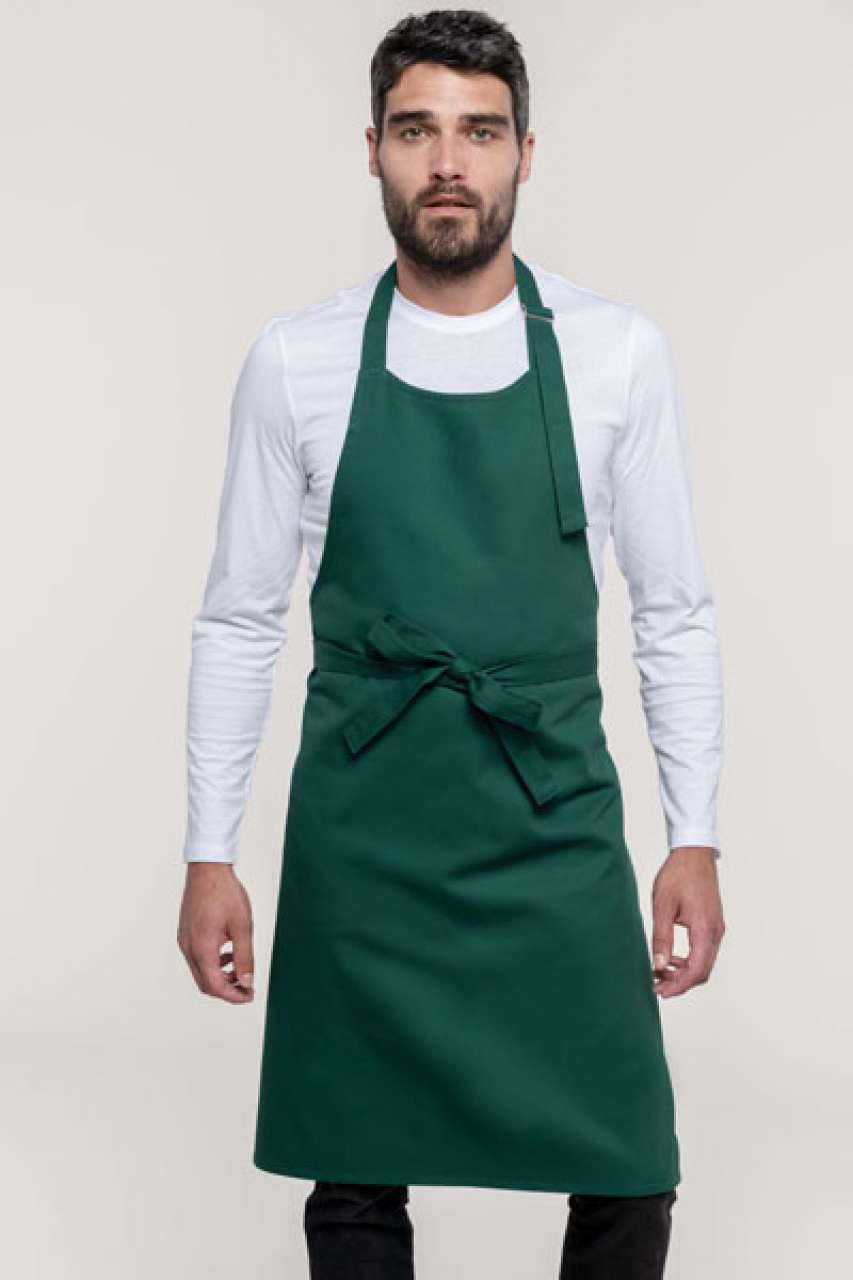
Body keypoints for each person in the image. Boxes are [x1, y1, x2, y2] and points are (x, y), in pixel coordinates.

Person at [177, 9, 725, 1278]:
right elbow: (239, 617)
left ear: (525, 152)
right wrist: (210, 853)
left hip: (549, 814)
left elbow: (673, 608)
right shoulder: (298, 361)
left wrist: (693, 833)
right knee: (354, 1164)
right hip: (365, 831)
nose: (446, 163)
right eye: (417, 130)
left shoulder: (615, 353)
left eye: (478, 132)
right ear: (371, 148)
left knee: (628, 1163)